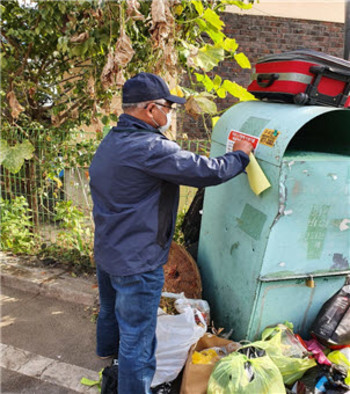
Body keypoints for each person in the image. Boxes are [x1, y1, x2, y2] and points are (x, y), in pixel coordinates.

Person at [89, 72, 254, 394]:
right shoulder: (150, 147)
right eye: (168, 107)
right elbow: (207, 171)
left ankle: (104, 353)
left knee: (110, 309)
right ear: (151, 109)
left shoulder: (113, 139)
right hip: (138, 259)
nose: (170, 114)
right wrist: (241, 154)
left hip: (108, 247)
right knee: (138, 339)